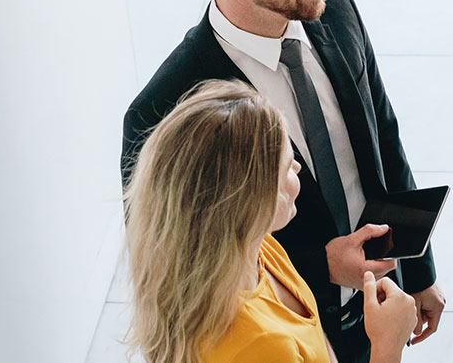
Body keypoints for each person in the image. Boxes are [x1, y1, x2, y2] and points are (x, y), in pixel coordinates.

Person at [121, 0, 444, 363]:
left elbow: (382, 131)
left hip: (383, 296)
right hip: (282, 334)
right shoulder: (167, 109)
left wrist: (419, 269)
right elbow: (176, 262)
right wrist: (321, 267)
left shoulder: (329, 2)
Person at [124, 80, 418, 363]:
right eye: (287, 165)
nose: (298, 167)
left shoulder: (258, 245)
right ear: (252, 202)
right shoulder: (262, 346)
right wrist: (388, 345)